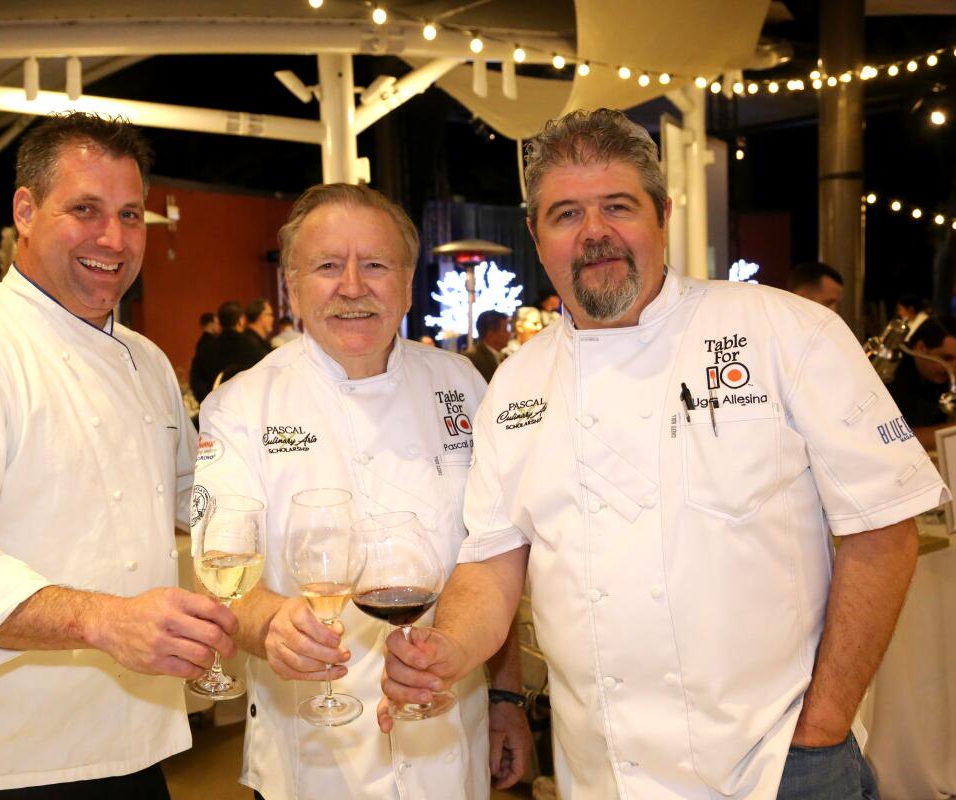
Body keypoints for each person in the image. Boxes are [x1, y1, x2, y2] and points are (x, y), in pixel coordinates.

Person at [380, 108, 946, 799]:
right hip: (602, 773)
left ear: (663, 215)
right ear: (536, 234)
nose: (594, 234)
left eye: (617, 206)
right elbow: (492, 563)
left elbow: (884, 527)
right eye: (565, 214)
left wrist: (823, 726)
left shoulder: (782, 331)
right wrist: (449, 649)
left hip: (778, 766)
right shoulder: (516, 385)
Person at [0, 111, 238, 797]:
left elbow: (200, 501)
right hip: (8, 756)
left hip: (134, 736)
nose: (114, 238)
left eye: (131, 215)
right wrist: (105, 620)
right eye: (85, 210)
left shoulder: (147, 360)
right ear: (25, 209)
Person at [194, 183, 532, 800]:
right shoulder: (240, 405)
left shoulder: (463, 386)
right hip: (312, 760)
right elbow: (221, 575)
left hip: (449, 747)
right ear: (291, 288)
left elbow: (495, 552)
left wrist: (506, 694)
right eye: (327, 266)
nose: (353, 286)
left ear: (407, 280)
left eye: (375, 264)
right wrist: (270, 623)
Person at [886, 317, 956, 449]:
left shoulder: (941, 377)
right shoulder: (891, 374)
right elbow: (895, 440)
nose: (953, 368)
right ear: (921, 348)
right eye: (946, 358)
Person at [214, 299, 267, 381]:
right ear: (241, 320)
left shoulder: (205, 349)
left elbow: (197, 382)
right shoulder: (251, 346)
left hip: (214, 393)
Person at [463, 310, 510, 383]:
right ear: (491, 335)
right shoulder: (473, 360)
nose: (509, 334)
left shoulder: (506, 357)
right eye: (505, 330)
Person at [190, 311, 222, 402]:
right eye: (216, 323)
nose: (218, 326)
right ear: (211, 324)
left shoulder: (200, 343)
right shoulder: (213, 344)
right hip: (212, 389)